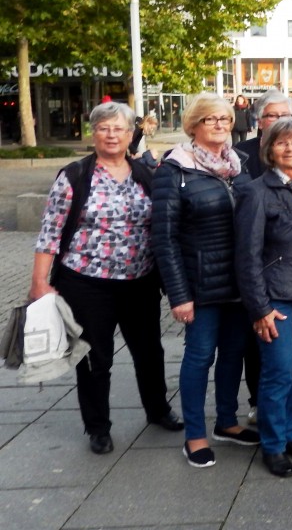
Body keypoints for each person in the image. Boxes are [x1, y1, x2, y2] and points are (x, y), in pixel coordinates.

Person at [29, 102, 182, 455]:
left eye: (119, 129)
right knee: (97, 358)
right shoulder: (75, 176)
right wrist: (39, 282)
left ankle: (158, 409)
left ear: (131, 135)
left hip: (139, 280)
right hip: (85, 282)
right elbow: (49, 232)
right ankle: (98, 427)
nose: (112, 135)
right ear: (93, 133)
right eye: (104, 128)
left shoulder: (146, 174)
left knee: (149, 351)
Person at [152, 93, 259, 469]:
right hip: (200, 285)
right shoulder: (174, 169)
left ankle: (226, 422)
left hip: (237, 282)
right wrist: (179, 295)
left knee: (233, 354)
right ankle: (194, 434)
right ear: (194, 125)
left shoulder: (238, 164)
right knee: (199, 357)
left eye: (225, 119)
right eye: (211, 119)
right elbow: (163, 238)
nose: (219, 125)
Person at [235, 117, 292, 477]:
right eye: (281, 143)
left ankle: (291, 434)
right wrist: (260, 308)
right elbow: (247, 256)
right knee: (277, 372)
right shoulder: (256, 192)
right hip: (276, 299)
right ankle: (272, 445)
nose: (290, 149)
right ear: (269, 150)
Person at [225, 89, 292, 424]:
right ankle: (256, 402)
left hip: (286, 264)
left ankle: (281, 412)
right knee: (254, 338)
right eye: (271, 116)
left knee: (282, 345)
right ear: (258, 120)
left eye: (284, 116)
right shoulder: (240, 156)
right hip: (252, 259)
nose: (278, 123)